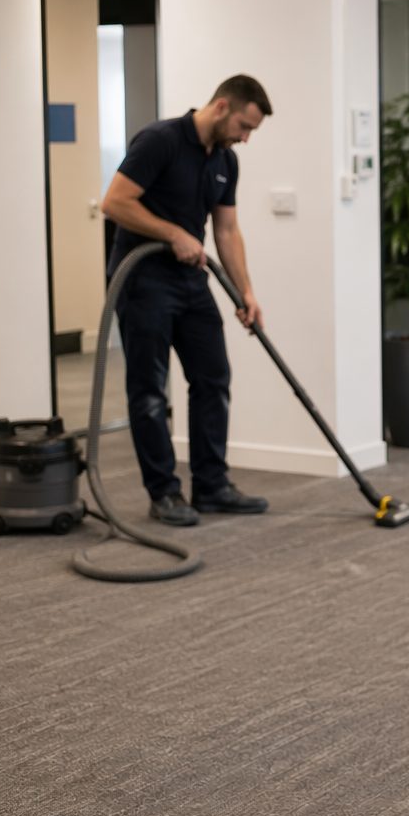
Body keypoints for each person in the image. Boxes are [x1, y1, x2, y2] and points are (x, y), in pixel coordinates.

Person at [99, 74, 273, 527]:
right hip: (142, 279)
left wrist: (245, 292)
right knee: (150, 390)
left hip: (191, 282)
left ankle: (212, 485)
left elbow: (227, 230)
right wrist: (173, 232)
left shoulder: (226, 161)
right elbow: (115, 202)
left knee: (213, 378)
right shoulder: (160, 141)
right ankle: (164, 493)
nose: (246, 137)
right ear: (221, 107)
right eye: (244, 126)